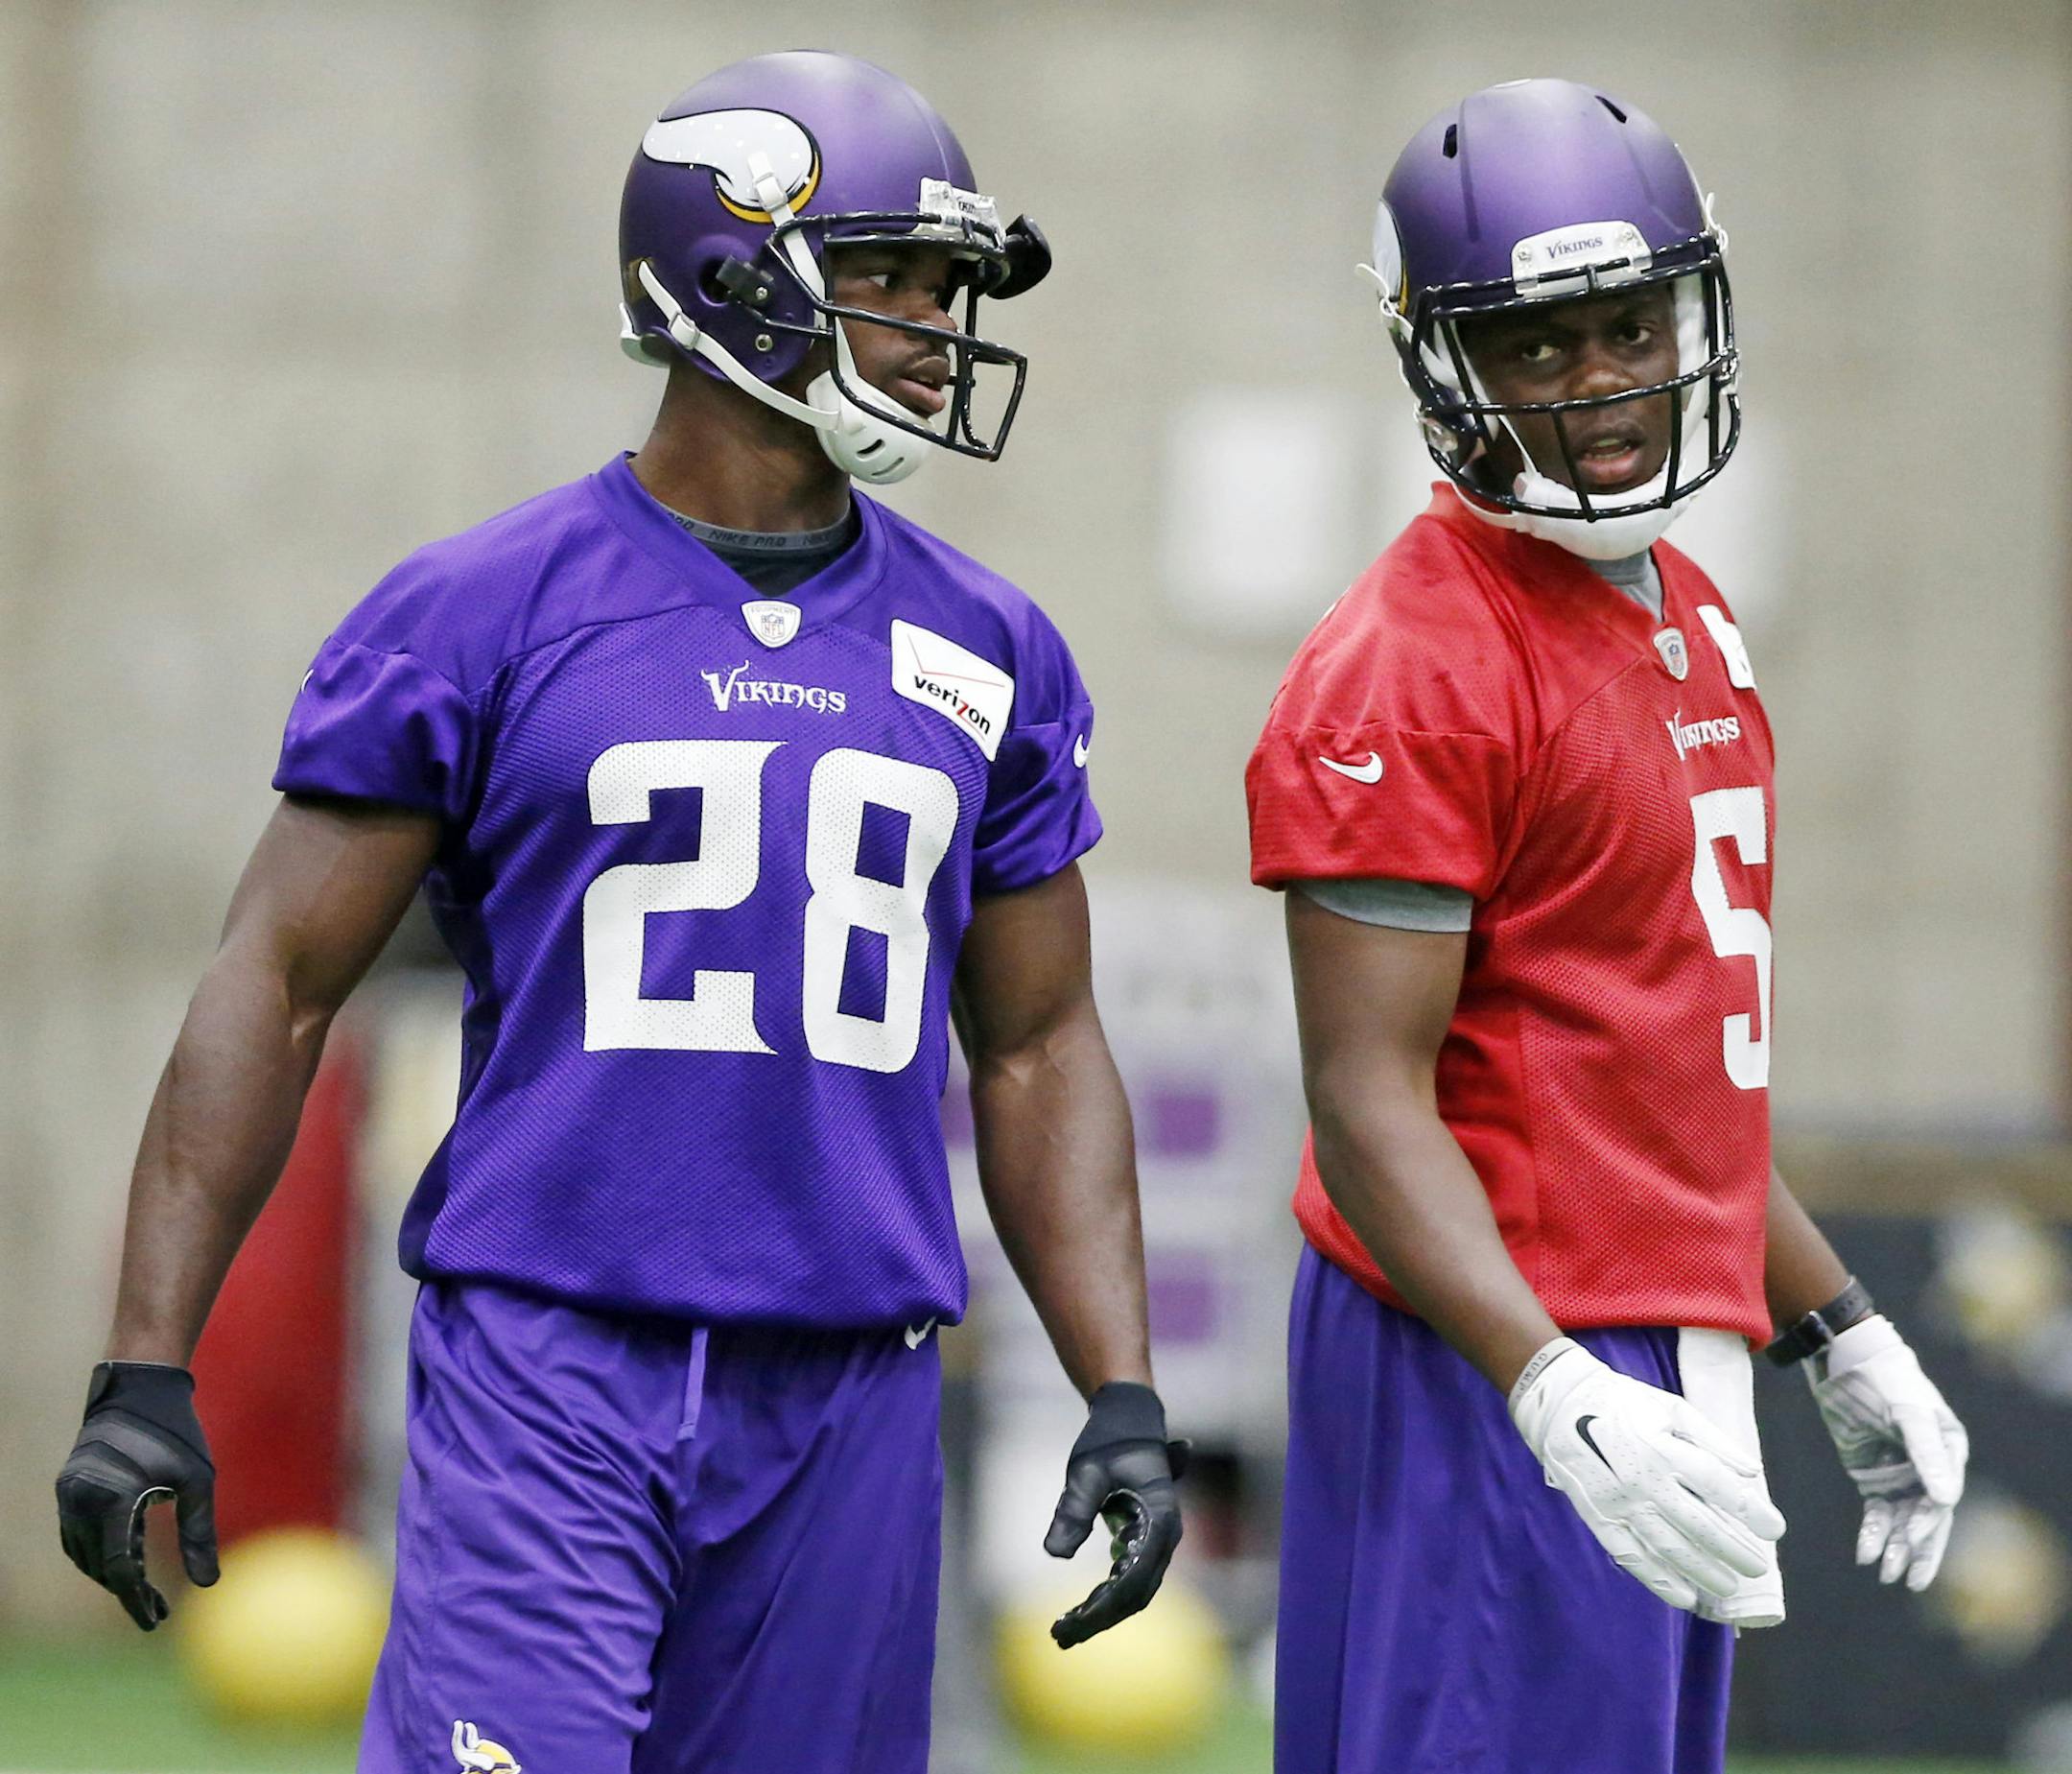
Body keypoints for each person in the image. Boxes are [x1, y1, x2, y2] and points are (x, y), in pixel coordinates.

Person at [55, 50, 1184, 1774]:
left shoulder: (992, 647)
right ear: (727, 273)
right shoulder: (479, 608)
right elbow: (274, 983)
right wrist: (147, 1358)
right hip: (552, 1365)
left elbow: (1037, 1041)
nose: (932, 325)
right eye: (888, 274)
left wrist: (1122, 1384)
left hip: (851, 1395)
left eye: (945, 286)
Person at [1247, 79, 1967, 1774]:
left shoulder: (1687, 613)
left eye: (1631, 325)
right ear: (1449, 364)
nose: (1605, 384)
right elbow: (1365, 1101)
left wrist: (1837, 1322)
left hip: (1651, 1329)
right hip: (1494, 1343)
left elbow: (1661, 1065)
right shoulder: (1414, 663)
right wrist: (1548, 1383)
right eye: (1541, 345)